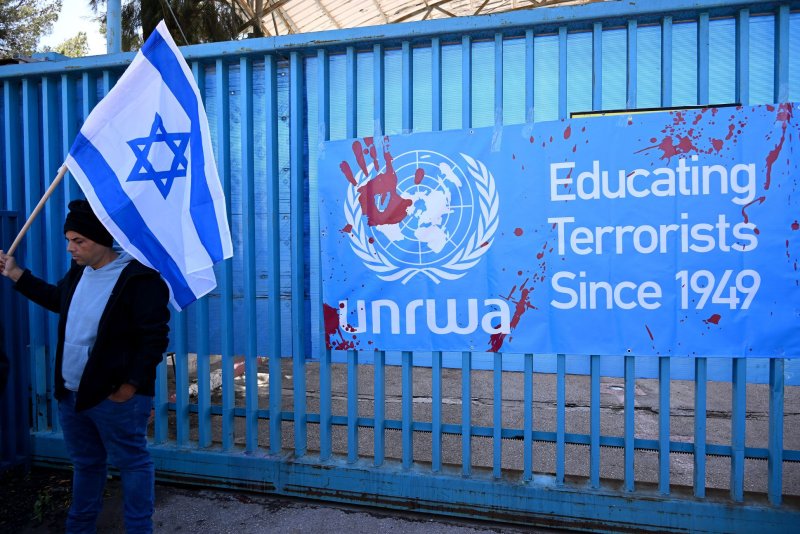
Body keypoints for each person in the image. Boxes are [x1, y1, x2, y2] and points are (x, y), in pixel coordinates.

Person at [0, 199, 170, 534]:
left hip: (114, 398)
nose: (70, 248)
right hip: (72, 394)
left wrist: (130, 387)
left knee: (133, 463)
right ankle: (79, 528)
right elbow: (57, 300)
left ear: (102, 240)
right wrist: (16, 273)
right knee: (86, 464)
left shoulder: (138, 279)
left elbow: (154, 340)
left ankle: (138, 528)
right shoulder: (79, 272)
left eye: (79, 241)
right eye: (69, 240)